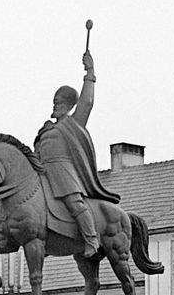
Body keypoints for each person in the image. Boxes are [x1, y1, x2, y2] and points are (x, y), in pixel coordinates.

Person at [34, 50, 120, 257]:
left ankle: (91, 239)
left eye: (60, 102)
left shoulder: (72, 123)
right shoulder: (46, 129)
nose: (56, 105)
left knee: (75, 204)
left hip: (64, 172)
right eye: (55, 101)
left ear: (69, 106)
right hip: (43, 173)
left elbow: (87, 102)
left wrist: (89, 72)